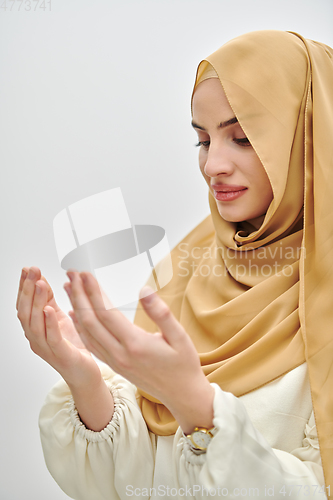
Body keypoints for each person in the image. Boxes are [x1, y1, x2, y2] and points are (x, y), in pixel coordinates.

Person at [16, 30, 333, 500]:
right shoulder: (189, 268)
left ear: (309, 140)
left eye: (242, 138)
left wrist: (196, 405)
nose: (212, 165)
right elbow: (137, 485)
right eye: (203, 141)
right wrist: (84, 379)